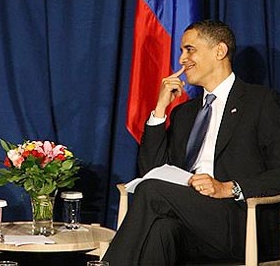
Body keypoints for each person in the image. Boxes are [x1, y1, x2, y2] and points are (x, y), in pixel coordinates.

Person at [103, 20, 280, 265]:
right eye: (182, 51)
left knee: (152, 191)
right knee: (160, 230)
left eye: (190, 50)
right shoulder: (184, 113)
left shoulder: (261, 102)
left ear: (219, 51)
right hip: (190, 223)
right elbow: (151, 171)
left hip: (241, 219)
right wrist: (160, 110)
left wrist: (227, 188)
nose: (182, 60)